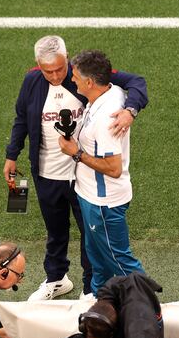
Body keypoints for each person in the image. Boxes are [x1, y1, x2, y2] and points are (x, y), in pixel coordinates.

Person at [4, 35, 148, 301]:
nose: (58, 75)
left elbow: (136, 82)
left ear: (67, 58)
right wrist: (12, 155)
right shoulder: (32, 81)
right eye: (49, 71)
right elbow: (22, 118)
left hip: (81, 176)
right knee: (55, 231)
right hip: (46, 174)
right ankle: (56, 279)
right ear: (38, 65)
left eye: (61, 68)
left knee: (89, 237)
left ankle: (90, 287)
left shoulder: (85, 75)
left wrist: (130, 110)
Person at [59, 49, 144, 297]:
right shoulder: (111, 92)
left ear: (89, 82)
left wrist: (76, 153)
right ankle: (99, 302)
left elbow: (114, 168)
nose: (71, 79)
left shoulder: (107, 119)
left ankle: (150, 310)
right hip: (90, 197)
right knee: (98, 261)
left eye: (74, 76)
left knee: (120, 261)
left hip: (103, 204)